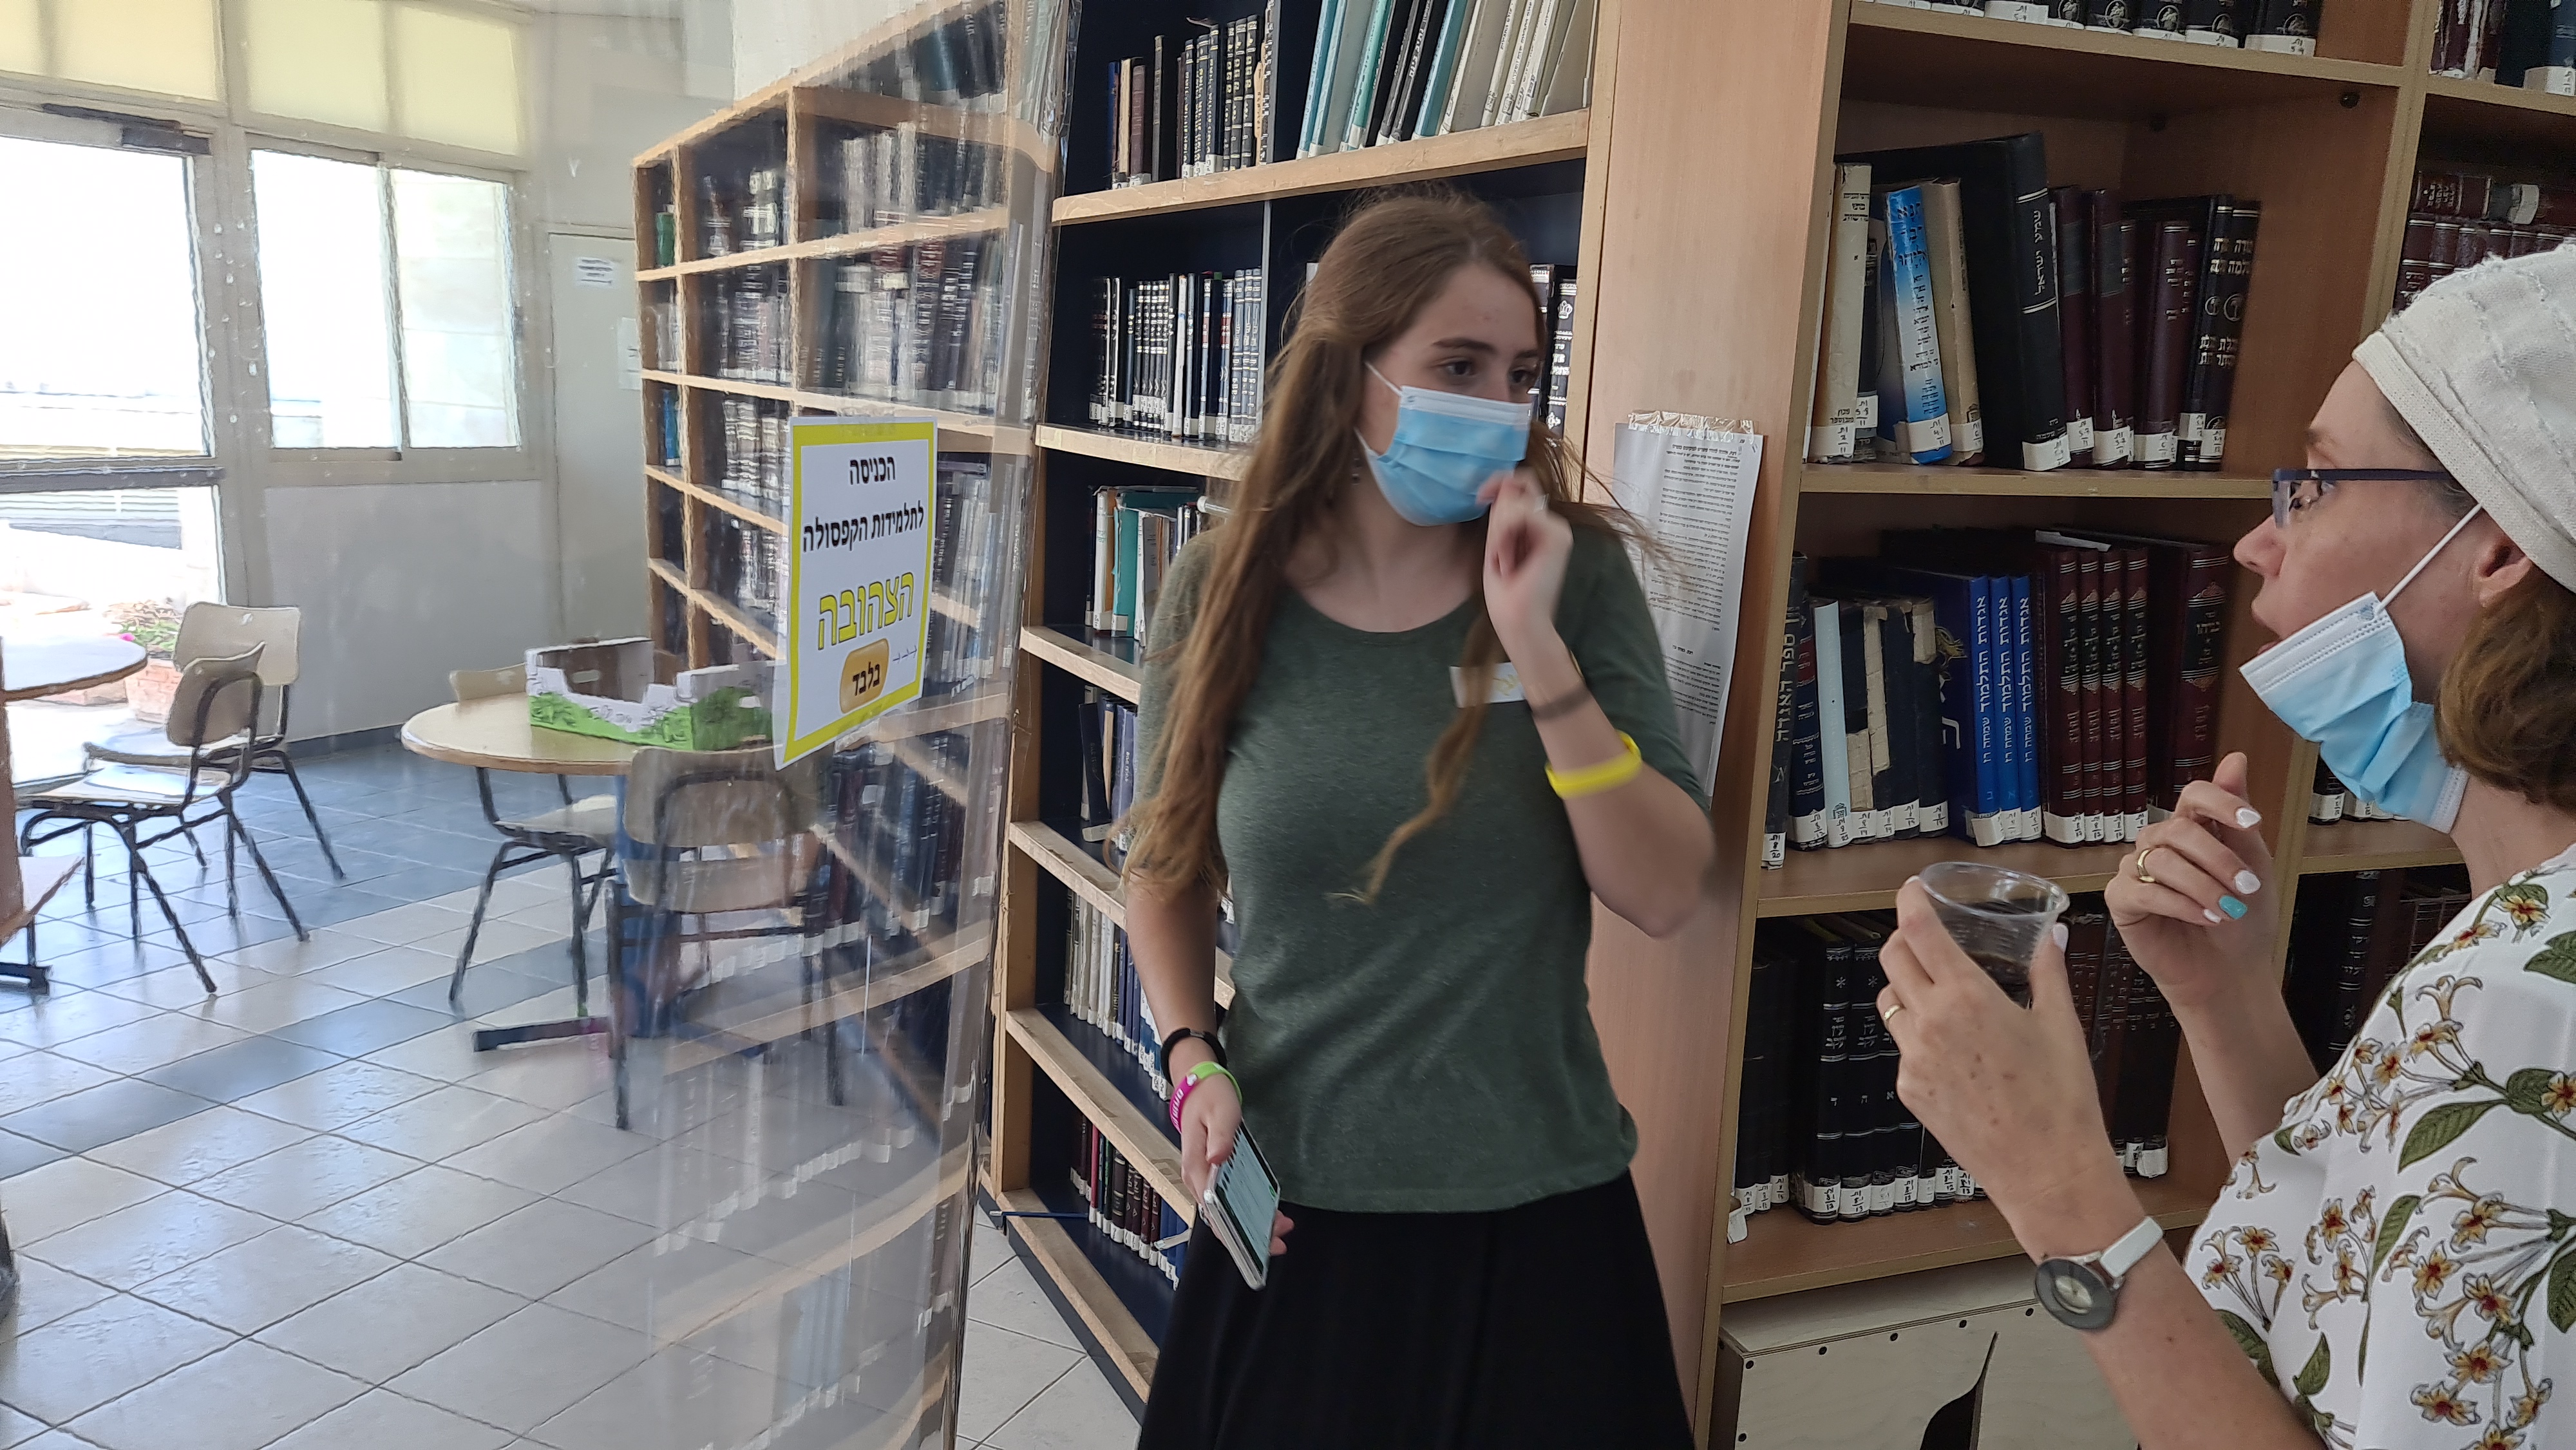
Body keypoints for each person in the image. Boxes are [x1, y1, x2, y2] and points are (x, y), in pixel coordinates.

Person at [1874, 246, 2576, 1449]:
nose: (2259, 540)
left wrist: (2056, 1184)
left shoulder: (2531, 995)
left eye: (2317, 483)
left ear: (2500, 548)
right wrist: (2228, 1000)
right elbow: (2360, 1277)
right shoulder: (2520, 926)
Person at [1119, 189, 1715, 1448]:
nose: (1497, 406)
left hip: (1537, 1211)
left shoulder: (1578, 578)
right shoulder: (1220, 590)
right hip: (1297, 1207)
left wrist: (1534, 649)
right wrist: (1188, 1061)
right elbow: (1163, 872)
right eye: (1457, 366)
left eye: (1520, 374)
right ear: (1350, 372)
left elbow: (1663, 891)